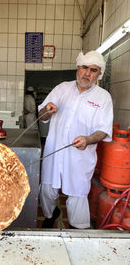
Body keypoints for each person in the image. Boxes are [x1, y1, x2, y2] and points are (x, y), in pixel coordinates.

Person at [38, 51, 113, 229]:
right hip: (54, 151)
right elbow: (42, 115)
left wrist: (88, 139)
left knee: (77, 193)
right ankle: (50, 214)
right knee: (47, 189)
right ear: (78, 68)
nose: (87, 73)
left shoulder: (103, 98)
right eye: (84, 68)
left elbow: (103, 130)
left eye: (93, 70)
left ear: (99, 74)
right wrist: (47, 110)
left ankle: (78, 229)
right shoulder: (61, 88)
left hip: (80, 156)